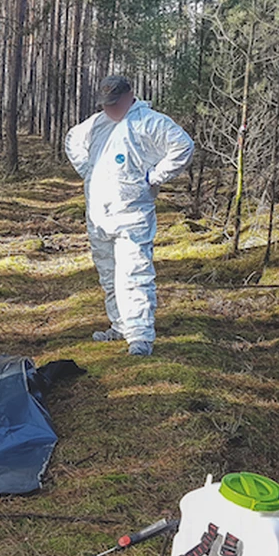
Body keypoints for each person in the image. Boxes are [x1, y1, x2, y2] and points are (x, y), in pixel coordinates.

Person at [65, 75, 194, 356]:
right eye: (106, 104)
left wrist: (156, 175)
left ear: (129, 96)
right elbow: (72, 140)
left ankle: (140, 336)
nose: (110, 109)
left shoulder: (149, 122)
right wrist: (88, 171)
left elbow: (183, 147)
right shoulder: (97, 123)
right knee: (109, 274)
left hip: (132, 214)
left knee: (134, 273)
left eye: (115, 103)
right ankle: (120, 325)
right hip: (99, 214)